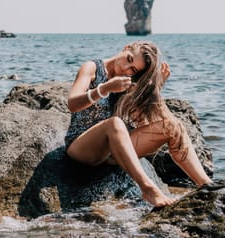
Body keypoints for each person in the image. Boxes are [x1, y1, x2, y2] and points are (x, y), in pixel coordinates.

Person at [65, 41, 212, 207]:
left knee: (173, 126)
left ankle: (206, 185)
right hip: (82, 148)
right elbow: (72, 103)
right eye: (129, 59)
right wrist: (104, 89)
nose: (126, 68)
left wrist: (155, 88)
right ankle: (148, 188)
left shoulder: (127, 82)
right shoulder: (92, 68)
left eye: (133, 70)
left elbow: (147, 119)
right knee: (115, 123)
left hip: (112, 153)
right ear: (126, 47)